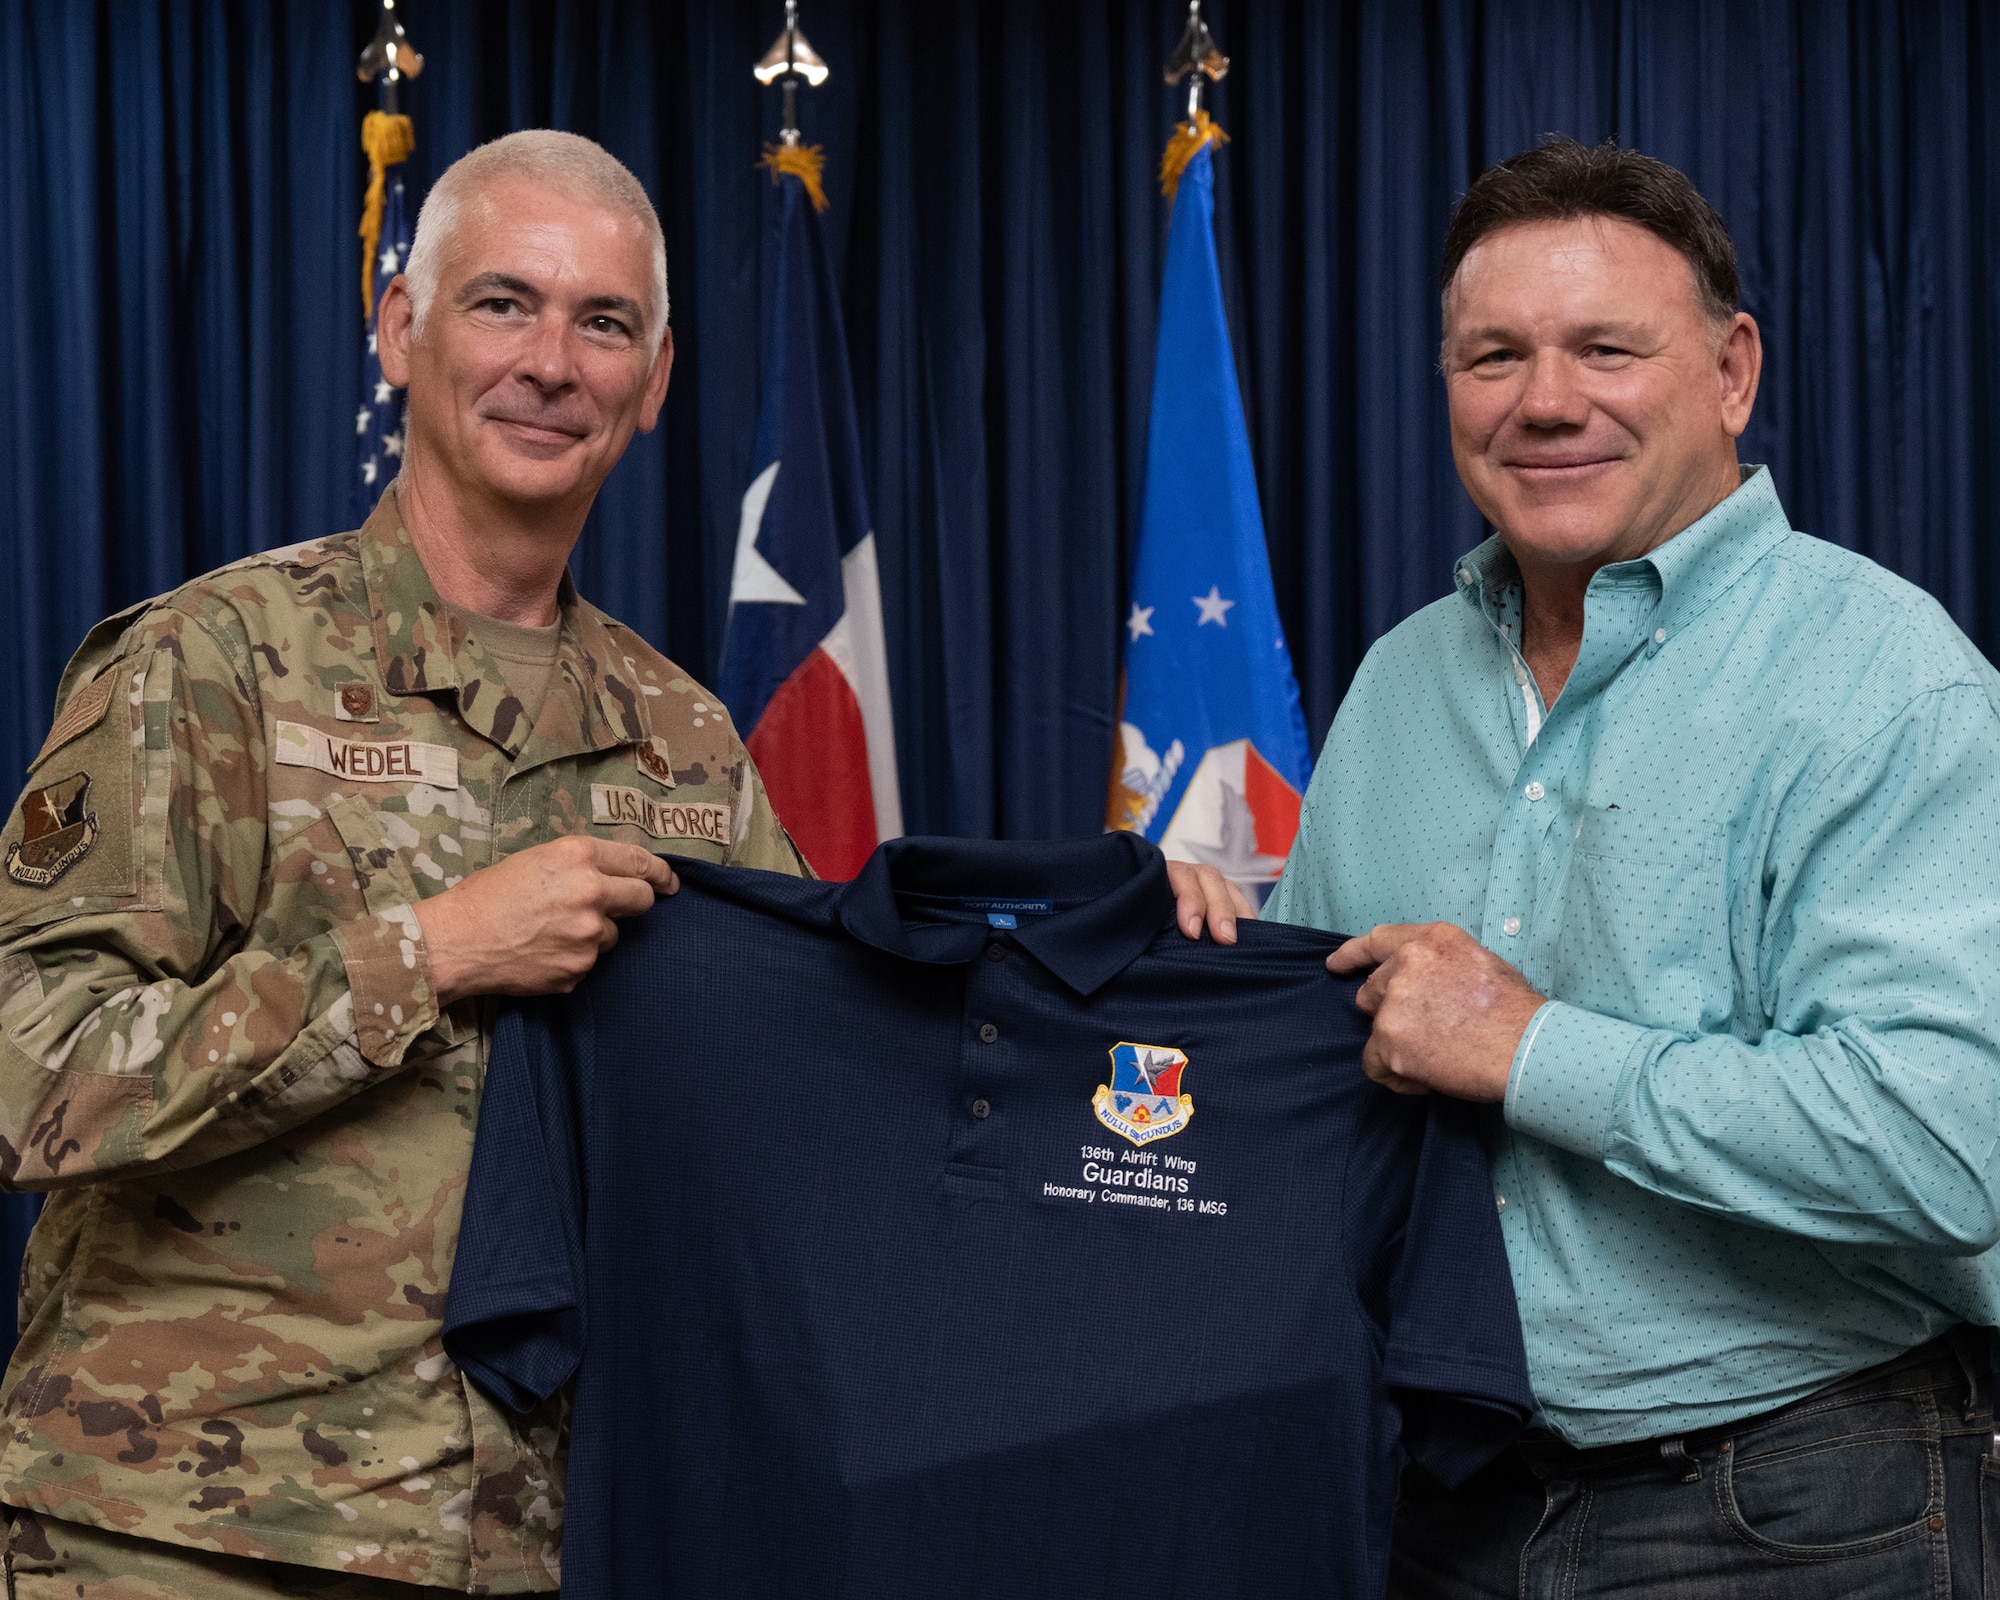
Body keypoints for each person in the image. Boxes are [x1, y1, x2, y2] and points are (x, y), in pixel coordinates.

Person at [1171, 137, 2000, 1594]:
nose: (1545, 402)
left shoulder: (1886, 678)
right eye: (1493, 356)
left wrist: (1528, 1046)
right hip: (1443, 1502)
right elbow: (1325, 1099)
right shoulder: (1398, 683)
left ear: (1733, 372)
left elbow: (1949, 1147)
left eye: (1605, 348)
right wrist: (1199, 974)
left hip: (1800, 1506)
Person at [0, 131, 807, 1597]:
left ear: (658, 378)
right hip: (193, 1531)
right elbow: (28, 1074)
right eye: (504, 302)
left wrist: (1146, 944)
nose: (552, 363)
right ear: (399, 329)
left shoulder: (688, 746)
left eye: (603, 322)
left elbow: (807, 1105)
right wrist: (427, 955)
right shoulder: (212, 664)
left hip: (543, 1543)